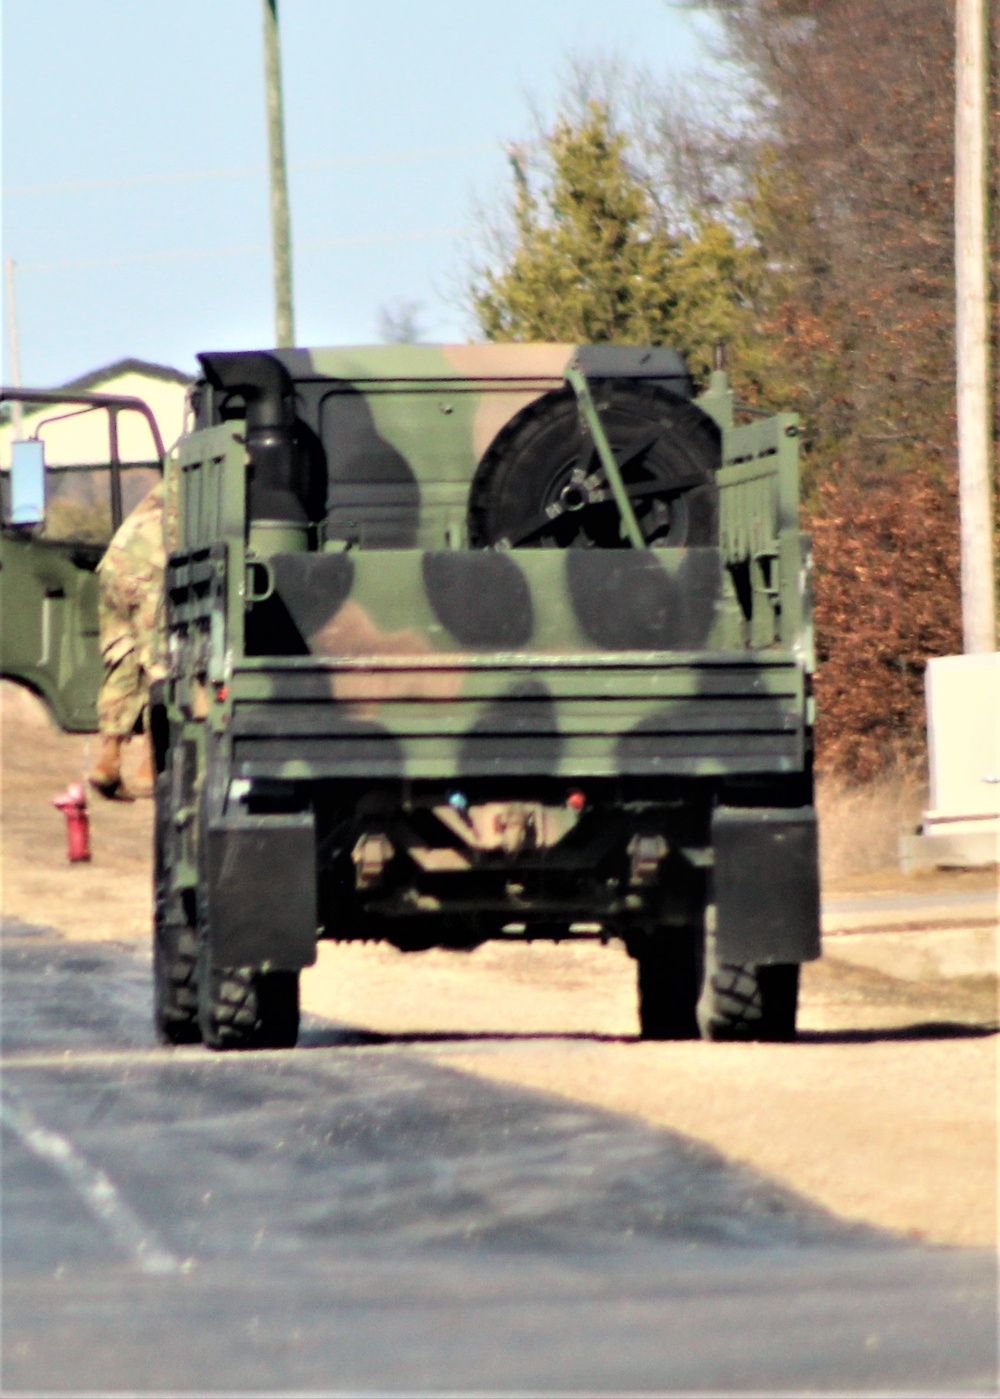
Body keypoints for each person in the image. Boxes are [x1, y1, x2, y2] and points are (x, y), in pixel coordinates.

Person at [88, 480, 167, 800]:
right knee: (159, 664)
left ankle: (108, 759)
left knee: (124, 655)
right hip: (151, 569)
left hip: (115, 566)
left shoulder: (173, 476)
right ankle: (151, 764)